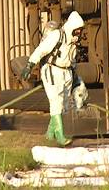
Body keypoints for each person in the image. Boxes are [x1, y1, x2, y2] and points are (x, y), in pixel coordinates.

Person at [21, 11, 86, 146]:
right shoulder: (57, 36)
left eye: (80, 30)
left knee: (63, 105)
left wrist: (74, 78)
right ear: (72, 28)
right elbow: (41, 50)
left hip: (66, 73)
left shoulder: (73, 44)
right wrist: (30, 65)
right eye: (77, 30)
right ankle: (60, 137)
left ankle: (50, 136)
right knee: (56, 101)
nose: (79, 33)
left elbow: (72, 61)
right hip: (52, 70)